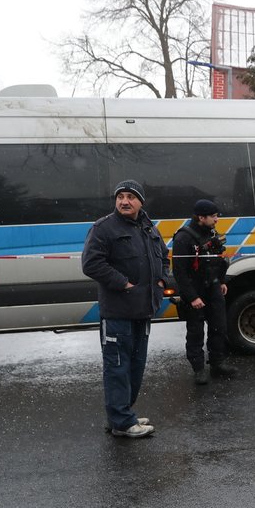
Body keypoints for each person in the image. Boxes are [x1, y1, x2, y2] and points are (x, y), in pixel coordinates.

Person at [81, 180, 169, 438]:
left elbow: (163, 256)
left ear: (141, 202)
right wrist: (124, 283)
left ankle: (120, 415)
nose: (124, 201)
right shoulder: (104, 228)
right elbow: (91, 264)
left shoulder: (148, 227)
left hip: (143, 310)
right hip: (118, 311)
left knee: (135, 367)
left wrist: (163, 280)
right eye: (120, 196)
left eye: (131, 196)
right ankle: (122, 421)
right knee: (118, 366)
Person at [171, 199, 238, 385]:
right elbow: (179, 271)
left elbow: (218, 259)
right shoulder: (183, 238)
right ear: (201, 217)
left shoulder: (211, 232)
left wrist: (221, 281)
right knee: (196, 331)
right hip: (195, 290)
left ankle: (217, 363)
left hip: (213, 287)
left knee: (219, 327)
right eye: (214, 216)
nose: (217, 220)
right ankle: (198, 369)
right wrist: (192, 297)